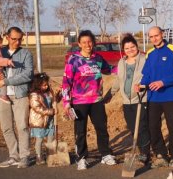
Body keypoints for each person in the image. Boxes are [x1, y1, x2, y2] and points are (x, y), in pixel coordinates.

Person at [61, 29, 116, 170]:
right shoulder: (73, 60)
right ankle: (81, 157)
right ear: (79, 43)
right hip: (79, 102)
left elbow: (108, 69)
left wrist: (125, 66)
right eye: (84, 42)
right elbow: (66, 82)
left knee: (101, 128)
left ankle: (105, 154)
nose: (87, 44)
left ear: (93, 42)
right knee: (80, 131)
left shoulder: (97, 58)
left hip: (96, 100)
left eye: (90, 41)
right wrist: (66, 103)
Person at [0, 27, 34, 169]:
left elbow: (28, 74)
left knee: (22, 126)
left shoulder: (26, 54)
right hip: (0, 96)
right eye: (14, 39)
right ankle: (13, 155)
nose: (17, 41)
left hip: (19, 95)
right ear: (7, 37)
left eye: (20, 39)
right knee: (7, 127)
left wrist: (6, 82)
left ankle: (24, 156)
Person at [141, 26, 173, 169]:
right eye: (151, 37)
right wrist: (141, 85)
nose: (154, 39)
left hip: (171, 96)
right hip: (153, 98)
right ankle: (161, 154)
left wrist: (163, 82)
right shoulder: (150, 53)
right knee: (153, 127)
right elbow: (146, 75)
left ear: (162, 34)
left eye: (156, 35)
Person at [110, 34, 151, 164]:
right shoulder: (122, 62)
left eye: (132, 46)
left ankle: (145, 154)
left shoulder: (145, 60)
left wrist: (143, 86)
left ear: (136, 46)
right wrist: (111, 92)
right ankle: (139, 150)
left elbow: (150, 77)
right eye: (127, 48)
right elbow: (119, 79)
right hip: (126, 101)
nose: (130, 50)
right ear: (123, 49)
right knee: (133, 128)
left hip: (141, 99)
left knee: (142, 127)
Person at [28, 72, 56, 165]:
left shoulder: (49, 92)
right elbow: (37, 108)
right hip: (39, 121)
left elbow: (54, 101)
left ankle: (50, 155)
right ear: (37, 85)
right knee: (39, 139)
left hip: (50, 120)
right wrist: (50, 111)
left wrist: (59, 94)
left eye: (47, 84)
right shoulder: (34, 95)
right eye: (43, 85)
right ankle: (38, 156)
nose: (46, 87)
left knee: (50, 138)